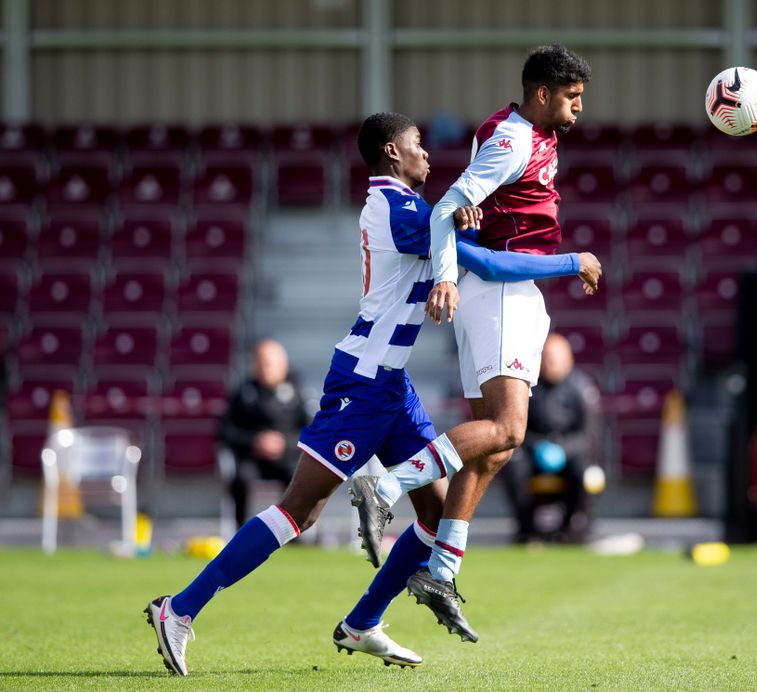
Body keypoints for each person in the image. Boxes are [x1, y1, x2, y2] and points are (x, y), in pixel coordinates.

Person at [145, 112, 592, 675]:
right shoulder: (396, 208)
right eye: (418, 146)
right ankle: (179, 610)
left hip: (392, 386)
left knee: (434, 511)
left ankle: (363, 622)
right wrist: (570, 260)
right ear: (390, 151)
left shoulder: (412, 210)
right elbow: (487, 263)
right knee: (299, 512)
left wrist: (461, 221)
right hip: (360, 383)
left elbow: (456, 241)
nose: (428, 156)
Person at [350, 45, 600, 643]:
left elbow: (476, 206)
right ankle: (385, 485)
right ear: (543, 94)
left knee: (493, 449)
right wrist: (444, 275)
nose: (578, 110)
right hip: (499, 294)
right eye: (572, 98)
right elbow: (448, 208)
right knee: (511, 429)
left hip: (513, 293)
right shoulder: (513, 139)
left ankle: (441, 570)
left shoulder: (523, 132)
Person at [500, 332, 601, 543]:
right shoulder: (528, 386)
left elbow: (588, 432)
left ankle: (572, 529)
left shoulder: (581, 388)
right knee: (513, 466)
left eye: (556, 357)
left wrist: (564, 449)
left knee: (584, 473)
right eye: (547, 357)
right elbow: (518, 425)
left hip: (569, 452)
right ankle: (527, 530)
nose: (551, 362)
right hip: (533, 450)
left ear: (568, 359)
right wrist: (537, 446)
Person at [218, 338, 310, 526]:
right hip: (252, 458)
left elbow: (310, 431)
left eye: (269, 363)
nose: (264, 368)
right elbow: (225, 431)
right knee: (240, 477)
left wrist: (285, 443)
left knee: (298, 478)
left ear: (283, 365)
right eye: (259, 362)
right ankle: (241, 530)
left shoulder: (297, 394)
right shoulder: (244, 394)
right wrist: (255, 441)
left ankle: (295, 531)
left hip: (287, 458)